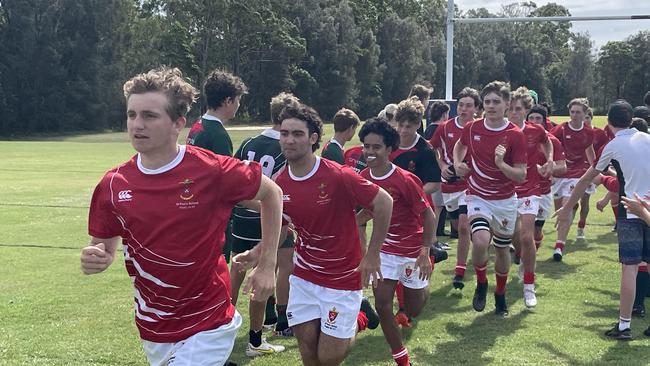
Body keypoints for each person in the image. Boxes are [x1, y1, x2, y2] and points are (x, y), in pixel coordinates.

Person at [80, 67, 283, 365]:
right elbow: (104, 246)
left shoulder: (211, 169)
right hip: (154, 324)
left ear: (178, 123)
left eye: (149, 116)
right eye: (131, 114)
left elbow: (272, 194)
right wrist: (96, 257)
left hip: (209, 321)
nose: (137, 124)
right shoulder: (112, 184)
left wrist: (267, 265)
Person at [237, 103, 393, 366]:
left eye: (297, 134)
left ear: (312, 139)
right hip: (304, 277)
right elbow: (282, 225)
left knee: (328, 357)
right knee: (309, 355)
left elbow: (384, 202)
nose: (289, 140)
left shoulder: (337, 175)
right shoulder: (280, 182)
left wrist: (373, 255)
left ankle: (360, 317)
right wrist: (255, 254)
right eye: (285, 133)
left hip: (342, 278)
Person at [555, 100, 650, 340]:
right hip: (648, 209)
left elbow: (587, 179)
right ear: (631, 120)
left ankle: (624, 326)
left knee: (630, 269)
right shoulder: (647, 139)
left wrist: (566, 208)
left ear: (608, 123)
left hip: (630, 211)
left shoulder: (613, 145)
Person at [357, 118, 433, 366]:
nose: (370, 152)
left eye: (376, 147)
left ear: (389, 149)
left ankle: (427, 275)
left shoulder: (405, 179)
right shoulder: (362, 177)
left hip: (412, 251)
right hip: (385, 252)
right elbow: (358, 213)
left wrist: (424, 252)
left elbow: (428, 216)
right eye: (366, 146)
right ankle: (402, 359)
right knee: (382, 303)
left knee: (413, 308)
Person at [230, 92, 301, 357]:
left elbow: (234, 180)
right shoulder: (286, 147)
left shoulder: (249, 141)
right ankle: (257, 339)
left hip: (241, 219)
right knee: (269, 273)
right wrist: (272, 210)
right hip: (267, 218)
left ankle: (218, 327)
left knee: (236, 272)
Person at [453, 80, 527, 316]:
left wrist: (500, 164)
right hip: (477, 196)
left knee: (503, 250)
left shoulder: (515, 135)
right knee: (482, 241)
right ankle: (482, 283)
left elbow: (521, 175)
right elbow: (459, 145)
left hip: (505, 200)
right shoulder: (473, 128)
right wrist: (457, 163)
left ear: (507, 104)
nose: (491, 106)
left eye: (497, 102)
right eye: (487, 102)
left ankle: (501, 293)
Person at [187, 70, 249, 264]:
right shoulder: (218, 135)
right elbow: (226, 181)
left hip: (194, 211)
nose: (239, 105)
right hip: (212, 218)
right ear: (228, 101)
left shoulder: (198, 125)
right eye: (238, 100)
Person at [508, 87, 553, 308]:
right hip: (504, 192)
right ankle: (521, 256)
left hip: (530, 189)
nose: (513, 113)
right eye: (510, 109)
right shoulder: (500, 130)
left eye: (518, 109)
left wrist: (549, 161)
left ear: (526, 111)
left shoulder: (536, 131)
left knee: (527, 237)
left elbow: (547, 142)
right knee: (510, 236)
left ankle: (529, 286)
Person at [429, 87, 479, 290]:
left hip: (472, 185)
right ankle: (483, 236)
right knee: (458, 227)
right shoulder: (445, 127)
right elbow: (434, 149)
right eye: (461, 105)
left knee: (465, 226)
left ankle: (459, 271)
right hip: (450, 185)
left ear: (476, 108)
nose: (464, 109)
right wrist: (442, 167)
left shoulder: (480, 128)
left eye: (468, 105)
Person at [550, 98, 596, 261]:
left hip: (576, 175)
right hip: (558, 174)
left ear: (585, 114)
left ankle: (559, 246)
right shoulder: (561, 129)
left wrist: (595, 169)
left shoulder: (589, 132)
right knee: (559, 208)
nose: (574, 115)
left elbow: (590, 152)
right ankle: (560, 235)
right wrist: (550, 166)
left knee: (566, 207)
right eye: (572, 112)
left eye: (578, 112)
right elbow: (549, 146)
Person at [526, 106, 567, 254]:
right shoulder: (518, 137)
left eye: (538, 118)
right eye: (531, 118)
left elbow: (563, 167)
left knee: (536, 229)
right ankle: (525, 258)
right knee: (523, 230)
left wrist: (549, 168)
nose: (534, 121)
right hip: (521, 191)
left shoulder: (552, 141)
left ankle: (532, 252)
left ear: (544, 121)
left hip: (543, 191)